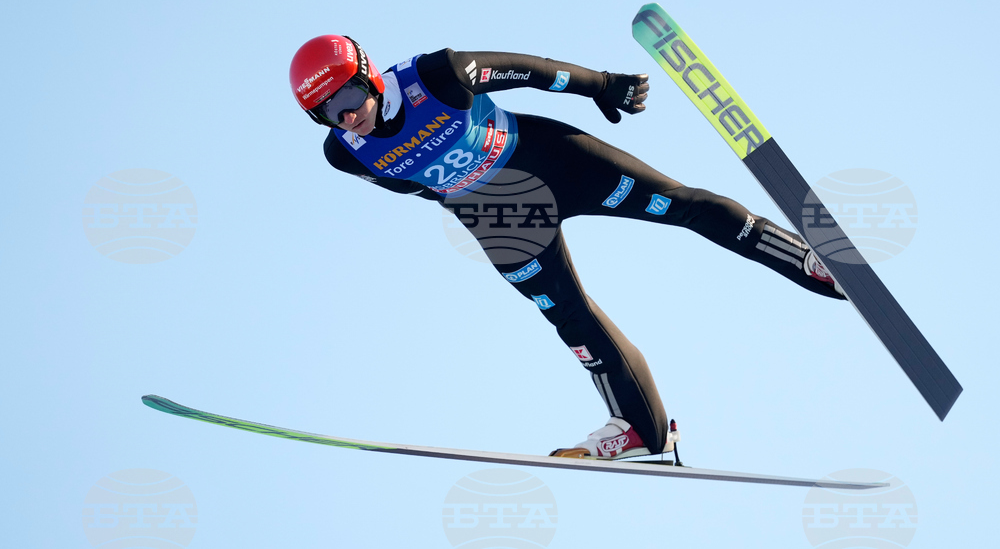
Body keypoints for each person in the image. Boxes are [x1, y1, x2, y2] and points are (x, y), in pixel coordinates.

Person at [289, 35, 845, 460]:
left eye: (350, 96)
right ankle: (642, 431)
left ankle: (810, 263)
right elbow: (417, 184)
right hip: (500, 216)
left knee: (683, 204)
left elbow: (530, 72)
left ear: (369, 76)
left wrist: (602, 85)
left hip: (550, 161)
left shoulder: (436, 75)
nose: (347, 115)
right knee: (570, 318)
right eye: (328, 112)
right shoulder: (344, 154)